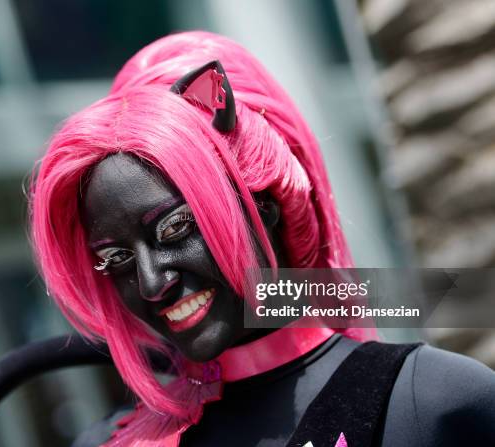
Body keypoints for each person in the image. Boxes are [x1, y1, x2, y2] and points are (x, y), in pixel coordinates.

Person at [30, 31, 495, 447]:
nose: (152, 284)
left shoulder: (432, 401)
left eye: (175, 229)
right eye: (116, 258)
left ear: (265, 206)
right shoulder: (108, 442)